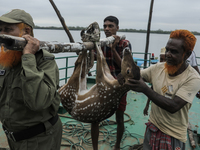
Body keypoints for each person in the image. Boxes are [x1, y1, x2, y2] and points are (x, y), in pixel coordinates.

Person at [126, 29, 200, 150]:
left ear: (187, 54)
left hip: (173, 134)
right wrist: (125, 68)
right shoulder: (159, 68)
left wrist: (144, 89)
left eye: (174, 51)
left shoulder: (193, 78)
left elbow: (173, 106)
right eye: (167, 50)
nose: (168, 54)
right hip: (153, 126)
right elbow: (138, 75)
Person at [0, 9, 62, 150]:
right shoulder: (4, 60)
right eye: (0, 29)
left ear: (26, 31)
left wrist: (28, 57)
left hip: (40, 140)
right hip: (13, 138)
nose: (2, 34)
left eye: (8, 29)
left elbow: (38, 102)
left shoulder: (45, 61)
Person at [91, 16, 132, 150]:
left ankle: (117, 146)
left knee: (119, 118)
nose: (107, 29)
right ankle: (95, 148)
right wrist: (90, 51)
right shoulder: (101, 43)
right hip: (103, 85)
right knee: (95, 118)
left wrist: (113, 49)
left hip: (119, 85)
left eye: (110, 26)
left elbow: (126, 68)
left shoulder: (124, 44)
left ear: (117, 28)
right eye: (105, 26)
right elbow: (96, 60)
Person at [143, 47, 166, 116]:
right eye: (161, 59)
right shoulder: (157, 71)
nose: (163, 62)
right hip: (156, 109)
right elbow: (152, 88)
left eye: (165, 60)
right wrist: (147, 105)